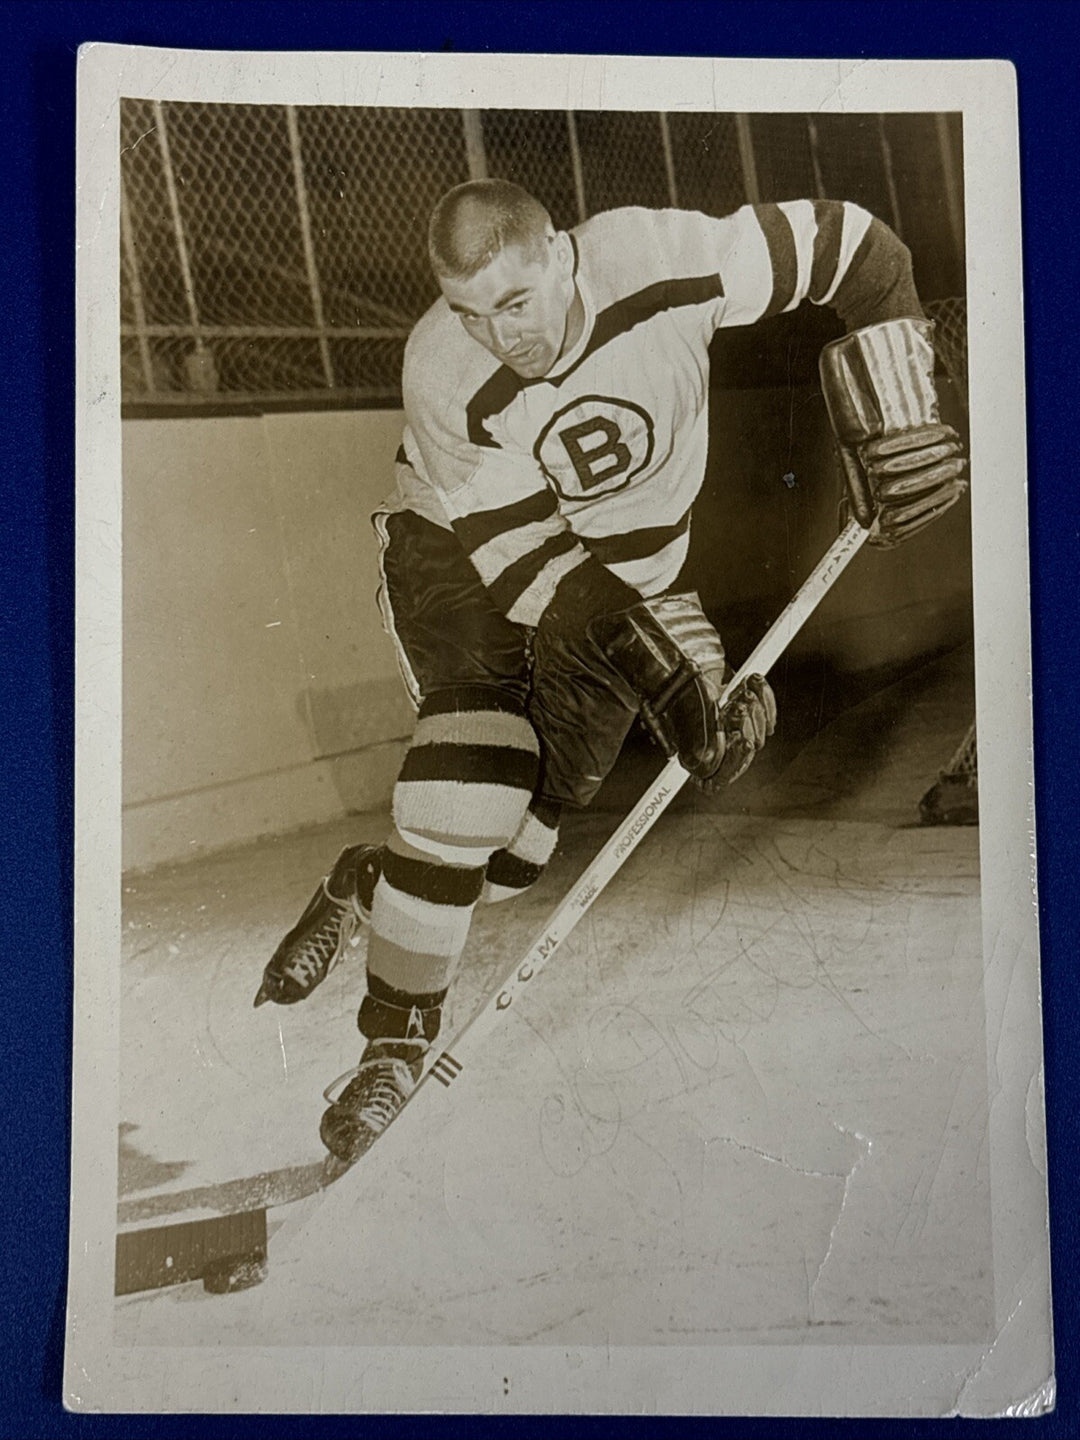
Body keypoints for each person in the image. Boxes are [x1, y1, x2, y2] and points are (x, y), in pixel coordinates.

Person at [254, 180, 967, 1163]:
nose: (500, 337)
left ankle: (369, 885)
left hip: (626, 581)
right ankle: (391, 1051)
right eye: (469, 313)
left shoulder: (671, 255)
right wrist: (668, 678)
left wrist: (898, 406)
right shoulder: (444, 371)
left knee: (509, 865)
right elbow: (539, 573)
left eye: (515, 303)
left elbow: (862, 249)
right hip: (462, 554)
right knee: (475, 769)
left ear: (562, 255)